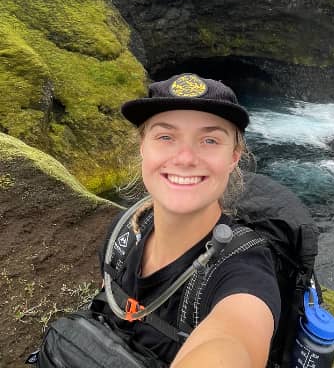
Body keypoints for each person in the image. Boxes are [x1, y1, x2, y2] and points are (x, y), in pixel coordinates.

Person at [100, 73, 281, 368]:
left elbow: (235, 338)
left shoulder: (244, 273)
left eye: (210, 140)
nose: (185, 158)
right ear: (143, 147)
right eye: (165, 137)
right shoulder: (124, 232)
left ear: (234, 157)